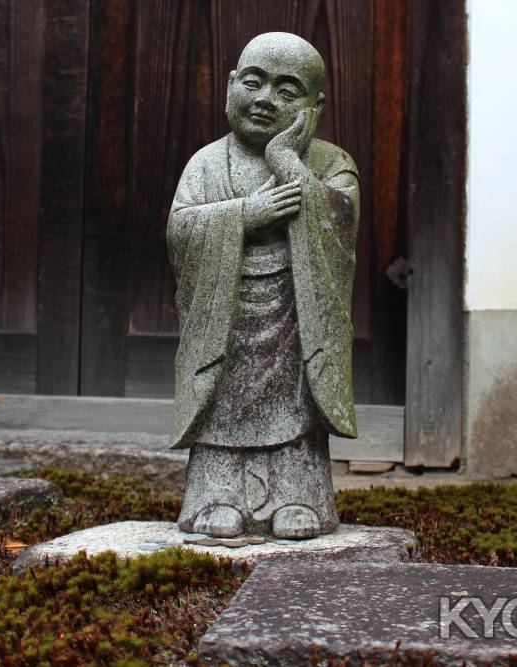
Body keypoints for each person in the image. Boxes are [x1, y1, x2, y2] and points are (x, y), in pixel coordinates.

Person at [166, 32, 359, 539]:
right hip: (223, 312)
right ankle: (217, 497)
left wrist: (288, 160)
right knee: (222, 403)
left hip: (296, 313)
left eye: (286, 91)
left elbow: (341, 222)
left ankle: (298, 498)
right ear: (231, 85)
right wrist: (244, 216)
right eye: (253, 82)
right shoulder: (207, 163)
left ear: (314, 107)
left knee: (296, 405)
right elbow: (180, 229)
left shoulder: (330, 163)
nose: (265, 99)